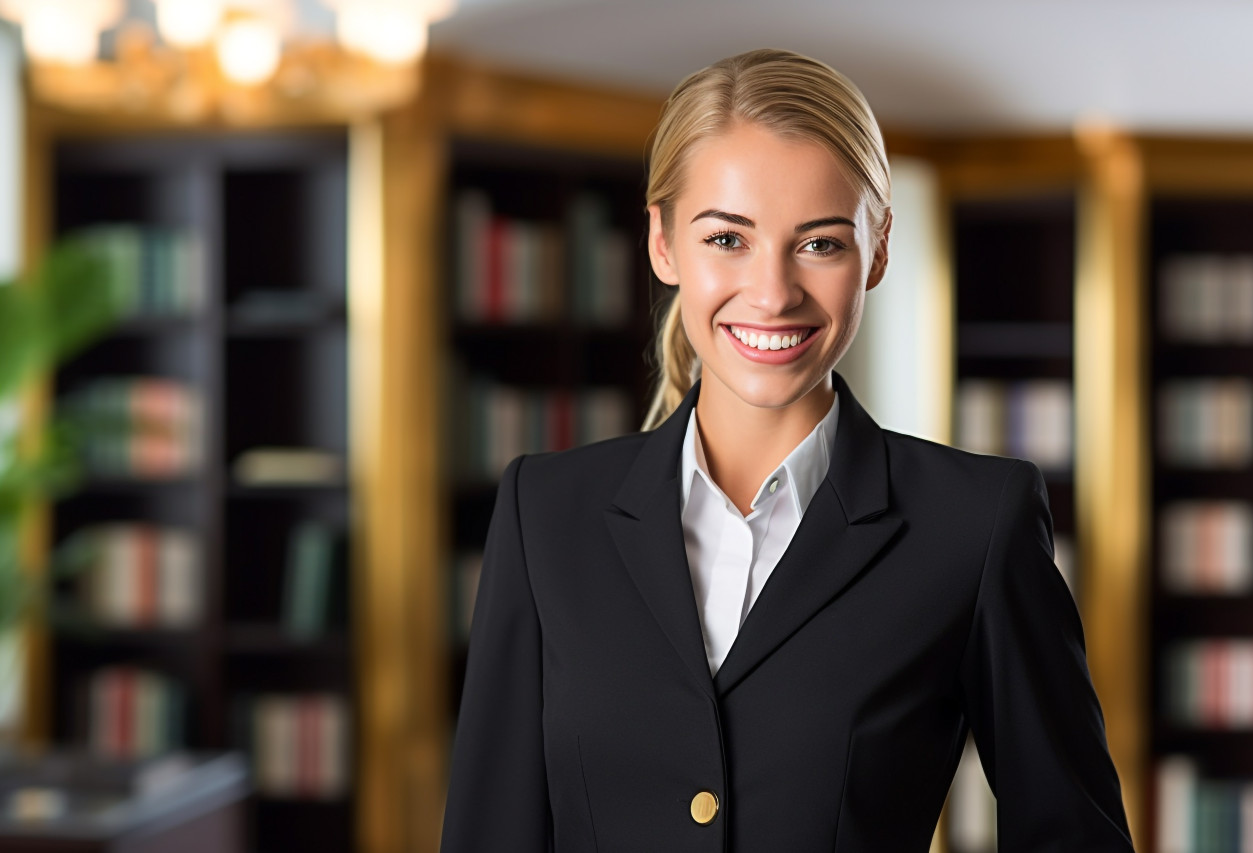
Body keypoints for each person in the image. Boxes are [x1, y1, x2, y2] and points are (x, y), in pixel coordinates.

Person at [440, 48, 1135, 852]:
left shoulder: (975, 525)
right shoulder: (544, 514)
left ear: (876, 250)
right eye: (728, 239)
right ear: (663, 242)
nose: (772, 292)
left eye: (820, 243)